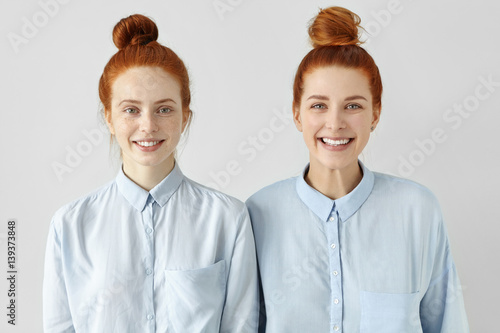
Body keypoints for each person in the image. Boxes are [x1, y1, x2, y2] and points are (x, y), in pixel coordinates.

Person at [246, 6, 469, 333]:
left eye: (353, 106)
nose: (335, 123)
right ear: (297, 114)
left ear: (375, 114)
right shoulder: (258, 214)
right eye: (319, 105)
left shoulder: (417, 210)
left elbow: (448, 324)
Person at [43, 14, 258, 332]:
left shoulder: (228, 219)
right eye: (131, 109)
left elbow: (240, 326)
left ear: (185, 117)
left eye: (164, 109)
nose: (148, 125)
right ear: (109, 117)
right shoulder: (70, 226)